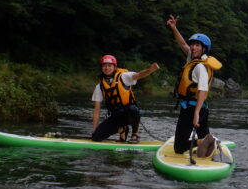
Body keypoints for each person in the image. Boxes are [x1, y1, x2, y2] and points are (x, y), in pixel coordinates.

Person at [166, 14, 222, 155]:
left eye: (197, 45)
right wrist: (174, 28)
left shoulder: (200, 67)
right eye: (193, 44)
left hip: (192, 109)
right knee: (205, 137)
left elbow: (203, 90)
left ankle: (203, 142)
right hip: (202, 108)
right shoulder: (195, 58)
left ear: (204, 49)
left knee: (179, 148)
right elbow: (183, 44)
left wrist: (196, 113)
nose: (193, 47)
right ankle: (208, 142)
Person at [91, 54, 159, 142]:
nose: (107, 68)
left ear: (115, 67)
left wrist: (150, 70)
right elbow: (96, 110)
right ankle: (122, 129)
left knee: (133, 108)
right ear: (101, 68)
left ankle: (135, 135)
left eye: (109, 66)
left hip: (130, 113)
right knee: (96, 137)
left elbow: (139, 75)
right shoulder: (99, 87)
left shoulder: (123, 76)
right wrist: (94, 130)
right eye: (104, 66)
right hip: (116, 116)